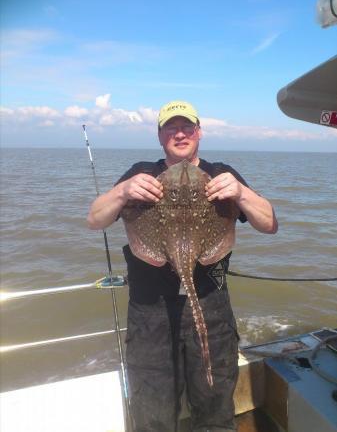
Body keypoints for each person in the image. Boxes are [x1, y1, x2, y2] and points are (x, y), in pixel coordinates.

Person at [87, 100, 278, 432]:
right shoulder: (141, 173)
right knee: (153, 411)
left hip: (210, 305)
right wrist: (122, 191)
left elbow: (270, 224)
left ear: (198, 132)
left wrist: (241, 192)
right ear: (160, 136)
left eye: (186, 127)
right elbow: (94, 219)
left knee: (215, 405)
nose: (179, 134)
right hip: (150, 313)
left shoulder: (221, 174)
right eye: (170, 128)